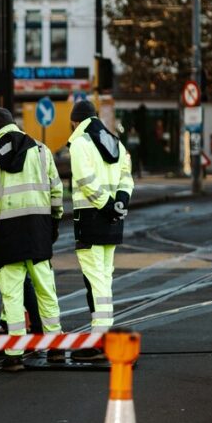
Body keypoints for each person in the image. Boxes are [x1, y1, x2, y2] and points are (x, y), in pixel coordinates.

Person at [0, 108, 64, 372]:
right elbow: (56, 189)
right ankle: (56, 346)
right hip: (37, 229)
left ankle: (14, 353)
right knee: (46, 290)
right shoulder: (40, 150)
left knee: (11, 294)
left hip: (6, 233)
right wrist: (54, 222)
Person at [68, 100, 134, 360]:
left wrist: (106, 205)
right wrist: (120, 202)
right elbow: (127, 176)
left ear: (75, 121)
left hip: (90, 219)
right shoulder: (115, 141)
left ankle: (98, 340)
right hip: (112, 221)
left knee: (95, 280)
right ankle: (103, 334)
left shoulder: (81, 143)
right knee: (104, 279)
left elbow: (85, 180)